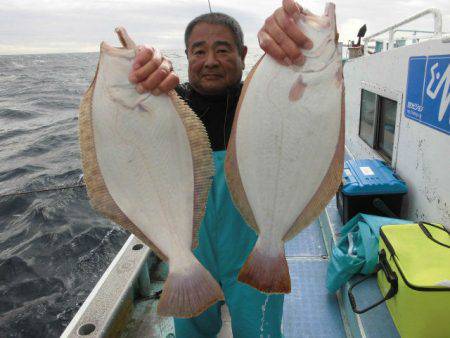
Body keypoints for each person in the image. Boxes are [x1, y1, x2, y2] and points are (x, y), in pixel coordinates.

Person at [128, 1, 313, 336]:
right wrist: (141, 72)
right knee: (191, 332)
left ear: (243, 53)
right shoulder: (168, 105)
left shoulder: (266, 101)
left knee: (260, 330)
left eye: (222, 49)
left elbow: (309, 105)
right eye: (198, 51)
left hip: (254, 248)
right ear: (186, 56)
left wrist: (302, 43)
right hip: (189, 251)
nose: (209, 61)